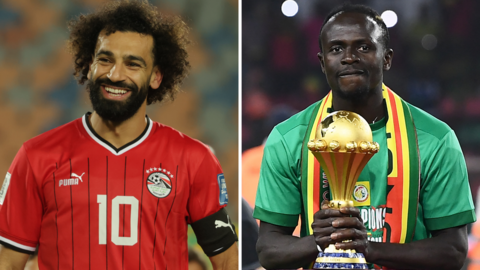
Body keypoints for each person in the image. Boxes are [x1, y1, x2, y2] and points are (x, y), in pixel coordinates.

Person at [0, 1, 238, 269]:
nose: (115, 74)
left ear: (156, 77)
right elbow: (8, 262)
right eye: (105, 59)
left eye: (132, 64)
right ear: (90, 65)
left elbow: (228, 258)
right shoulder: (36, 156)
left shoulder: (194, 159)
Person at [253, 3, 475, 270]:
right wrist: (322, 240)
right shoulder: (288, 139)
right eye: (336, 49)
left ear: (387, 58)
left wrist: (368, 248)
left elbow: (453, 250)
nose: (349, 57)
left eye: (364, 47)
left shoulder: (435, 140)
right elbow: (268, 249)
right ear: (323, 63)